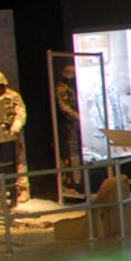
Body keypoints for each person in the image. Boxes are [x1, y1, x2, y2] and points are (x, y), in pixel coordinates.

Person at [0, 70, 29, 204]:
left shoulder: (13, 96)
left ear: (2, 84)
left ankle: (23, 189)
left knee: (18, 160)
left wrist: (16, 125)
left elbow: (21, 112)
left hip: (12, 133)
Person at [54, 64, 85, 197]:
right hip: (68, 125)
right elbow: (63, 107)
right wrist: (78, 117)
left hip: (76, 123)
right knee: (70, 155)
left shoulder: (72, 87)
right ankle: (71, 182)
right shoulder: (61, 88)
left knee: (76, 153)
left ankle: (77, 181)